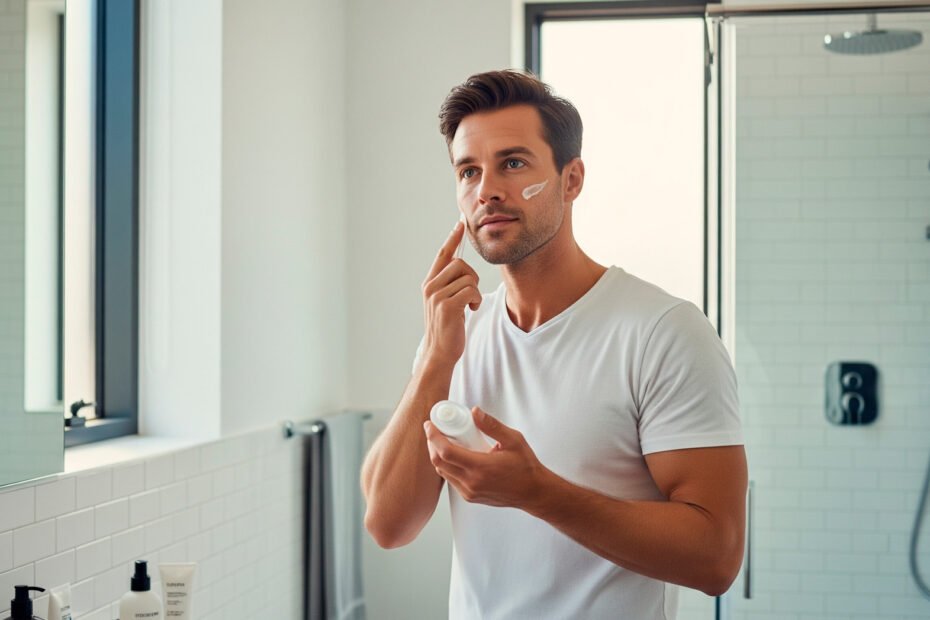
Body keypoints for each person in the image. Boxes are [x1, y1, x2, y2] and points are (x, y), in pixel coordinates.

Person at [361, 69, 747, 619]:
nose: (487, 190)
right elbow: (387, 525)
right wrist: (436, 359)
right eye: (469, 171)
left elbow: (716, 559)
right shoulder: (454, 337)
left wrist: (537, 492)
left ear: (572, 179)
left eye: (513, 163)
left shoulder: (663, 332)